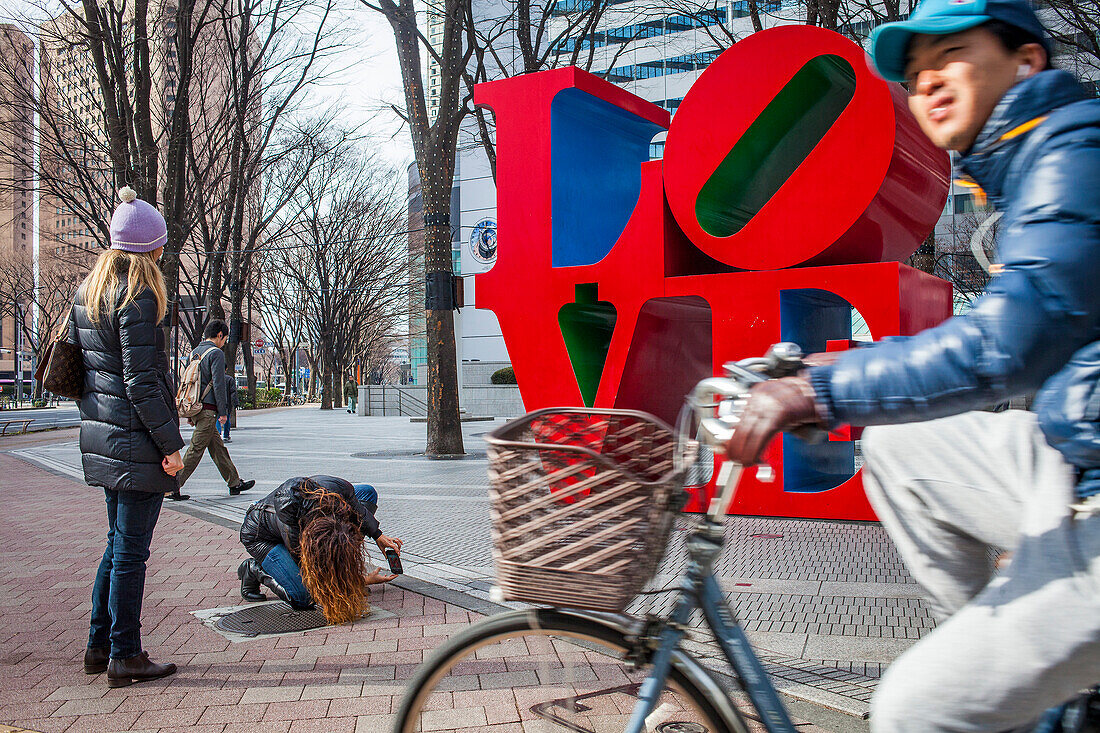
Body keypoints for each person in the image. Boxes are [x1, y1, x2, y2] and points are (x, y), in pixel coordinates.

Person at [723, 1, 1100, 730]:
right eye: (916, 72)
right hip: (1071, 455)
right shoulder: (1029, 166)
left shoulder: (1073, 155)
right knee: (896, 442)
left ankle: (985, 697)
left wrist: (816, 387)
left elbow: (1007, 344)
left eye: (951, 54)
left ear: (1026, 62)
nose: (926, 82)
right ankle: (1017, 695)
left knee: (910, 707)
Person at [75, 186, 185, 687]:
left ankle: (100, 646)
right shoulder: (138, 296)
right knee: (130, 553)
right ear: (152, 250)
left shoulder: (90, 294)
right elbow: (142, 382)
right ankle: (125, 653)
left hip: (104, 437)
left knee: (115, 545)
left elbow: (87, 373)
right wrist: (170, 445)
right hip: (136, 443)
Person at [237, 475, 403, 624]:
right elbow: (315, 574)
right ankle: (252, 569)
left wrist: (378, 535)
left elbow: (358, 509)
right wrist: (358, 581)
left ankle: (341, 551)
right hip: (261, 537)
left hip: (304, 518)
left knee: (366, 493)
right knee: (303, 597)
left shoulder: (337, 488)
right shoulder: (294, 532)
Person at [171, 319, 255, 501]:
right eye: (224, 339)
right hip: (208, 410)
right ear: (219, 335)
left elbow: (188, 383)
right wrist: (223, 412)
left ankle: (234, 482)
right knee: (195, 449)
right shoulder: (215, 353)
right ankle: (173, 486)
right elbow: (219, 383)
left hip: (196, 406)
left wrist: (191, 412)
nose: (224, 342)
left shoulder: (194, 352)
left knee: (218, 448)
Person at [222, 370, 237, 443]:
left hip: (216, 402)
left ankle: (218, 434)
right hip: (227, 403)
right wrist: (234, 402)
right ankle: (226, 435)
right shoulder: (229, 379)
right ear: (226, 369)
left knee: (217, 419)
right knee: (227, 419)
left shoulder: (214, 378)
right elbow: (233, 392)